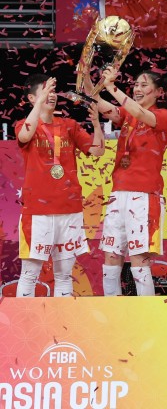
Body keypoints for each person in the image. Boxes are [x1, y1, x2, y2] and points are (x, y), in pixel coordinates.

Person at [15, 76, 104, 297]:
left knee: (64, 275)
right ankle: (27, 320)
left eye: (53, 91)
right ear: (32, 98)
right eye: (46, 91)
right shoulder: (24, 125)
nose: (52, 95)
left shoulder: (69, 126)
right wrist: (40, 103)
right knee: (29, 274)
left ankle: (60, 320)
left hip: (69, 209)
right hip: (37, 212)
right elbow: (24, 136)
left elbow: (97, 151)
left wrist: (96, 124)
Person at [93, 67, 167, 296]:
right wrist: (88, 79)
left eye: (144, 85)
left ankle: (146, 313)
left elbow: (138, 111)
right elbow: (97, 101)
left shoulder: (162, 116)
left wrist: (111, 87)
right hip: (118, 194)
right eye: (136, 84)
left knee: (139, 260)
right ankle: (112, 310)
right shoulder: (126, 115)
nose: (137, 89)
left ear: (159, 92)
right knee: (111, 259)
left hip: (145, 196)